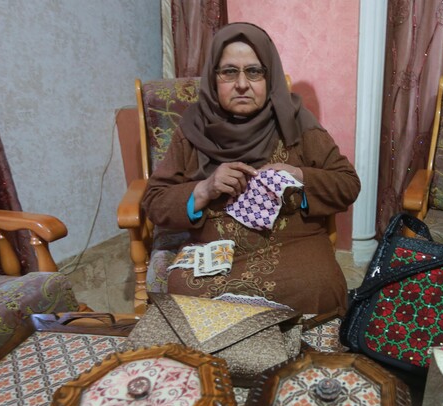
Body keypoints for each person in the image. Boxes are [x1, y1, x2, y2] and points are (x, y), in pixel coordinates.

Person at [142, 22, 360, 315]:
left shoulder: (296, 120)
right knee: (183, 290)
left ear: (268, 77)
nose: (242, 84)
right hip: (217, 249)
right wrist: (204, 189)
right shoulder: (193, 126)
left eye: (254, 71)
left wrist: (299, 176)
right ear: (213, 76)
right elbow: (154, 201)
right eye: (229, 71)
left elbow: (347, 184)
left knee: (320, 284)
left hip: (293, 245)